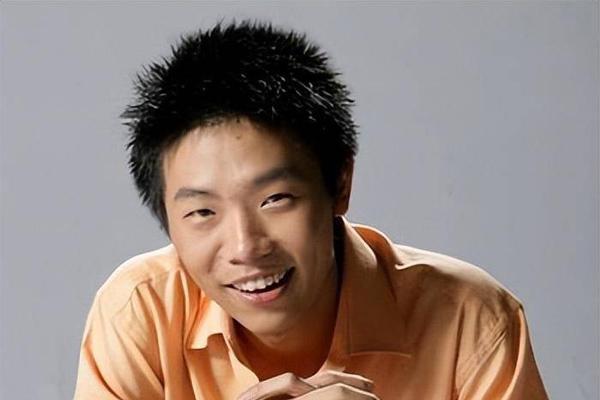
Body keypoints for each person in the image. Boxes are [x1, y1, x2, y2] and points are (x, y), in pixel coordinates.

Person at [74, 21, 548, 399]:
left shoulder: (469, 318)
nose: (245, 247)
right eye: (202, 212)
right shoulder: (140, 311)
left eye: (275, 199)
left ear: (339, 183)